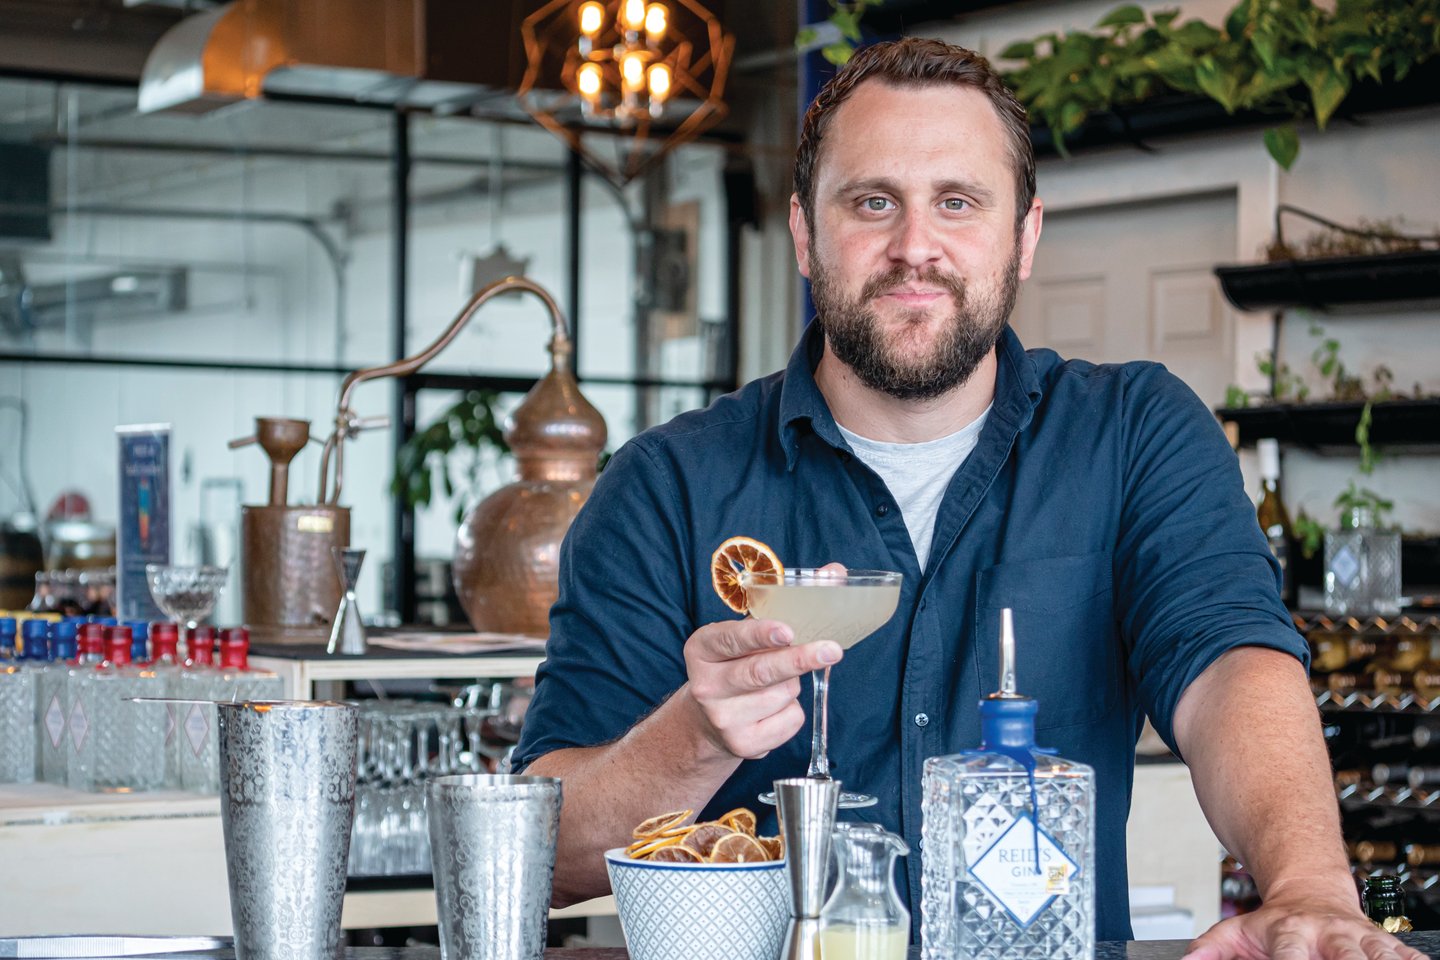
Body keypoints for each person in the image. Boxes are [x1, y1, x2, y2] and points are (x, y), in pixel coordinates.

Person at [512, 37, 1423, 959]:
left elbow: (1232, 668)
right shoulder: (666, 486)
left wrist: (1308, 884)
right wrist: (697, 735)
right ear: (803, 232)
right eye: (872, 202)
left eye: (958, 202)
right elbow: (546, 859)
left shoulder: (1135, 434)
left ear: (1024, 236)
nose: (915, 247)